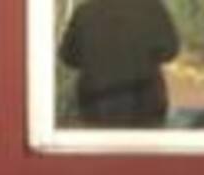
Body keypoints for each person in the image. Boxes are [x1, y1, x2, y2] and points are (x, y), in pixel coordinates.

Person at [59, 0, 180, 129]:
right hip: (144, 100)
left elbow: (68, 56)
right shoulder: (153, 7)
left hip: (95, 101)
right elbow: (170, 51)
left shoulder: (84, 11)